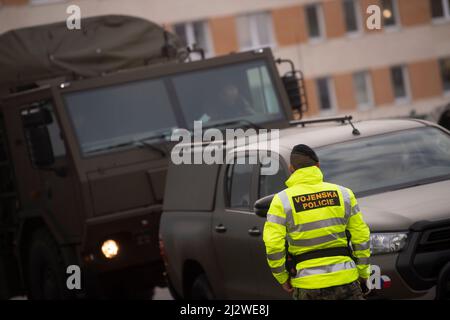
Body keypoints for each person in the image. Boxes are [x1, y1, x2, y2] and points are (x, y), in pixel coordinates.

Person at [262, 144, 371, 300]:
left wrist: (282, 277)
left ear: (291, 168)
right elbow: (361, 236)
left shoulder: (281, 201)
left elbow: (273, 245)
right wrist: (363, 272)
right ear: (318, 166)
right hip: (346, 280)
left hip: (307, 284)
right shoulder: (344, 194)